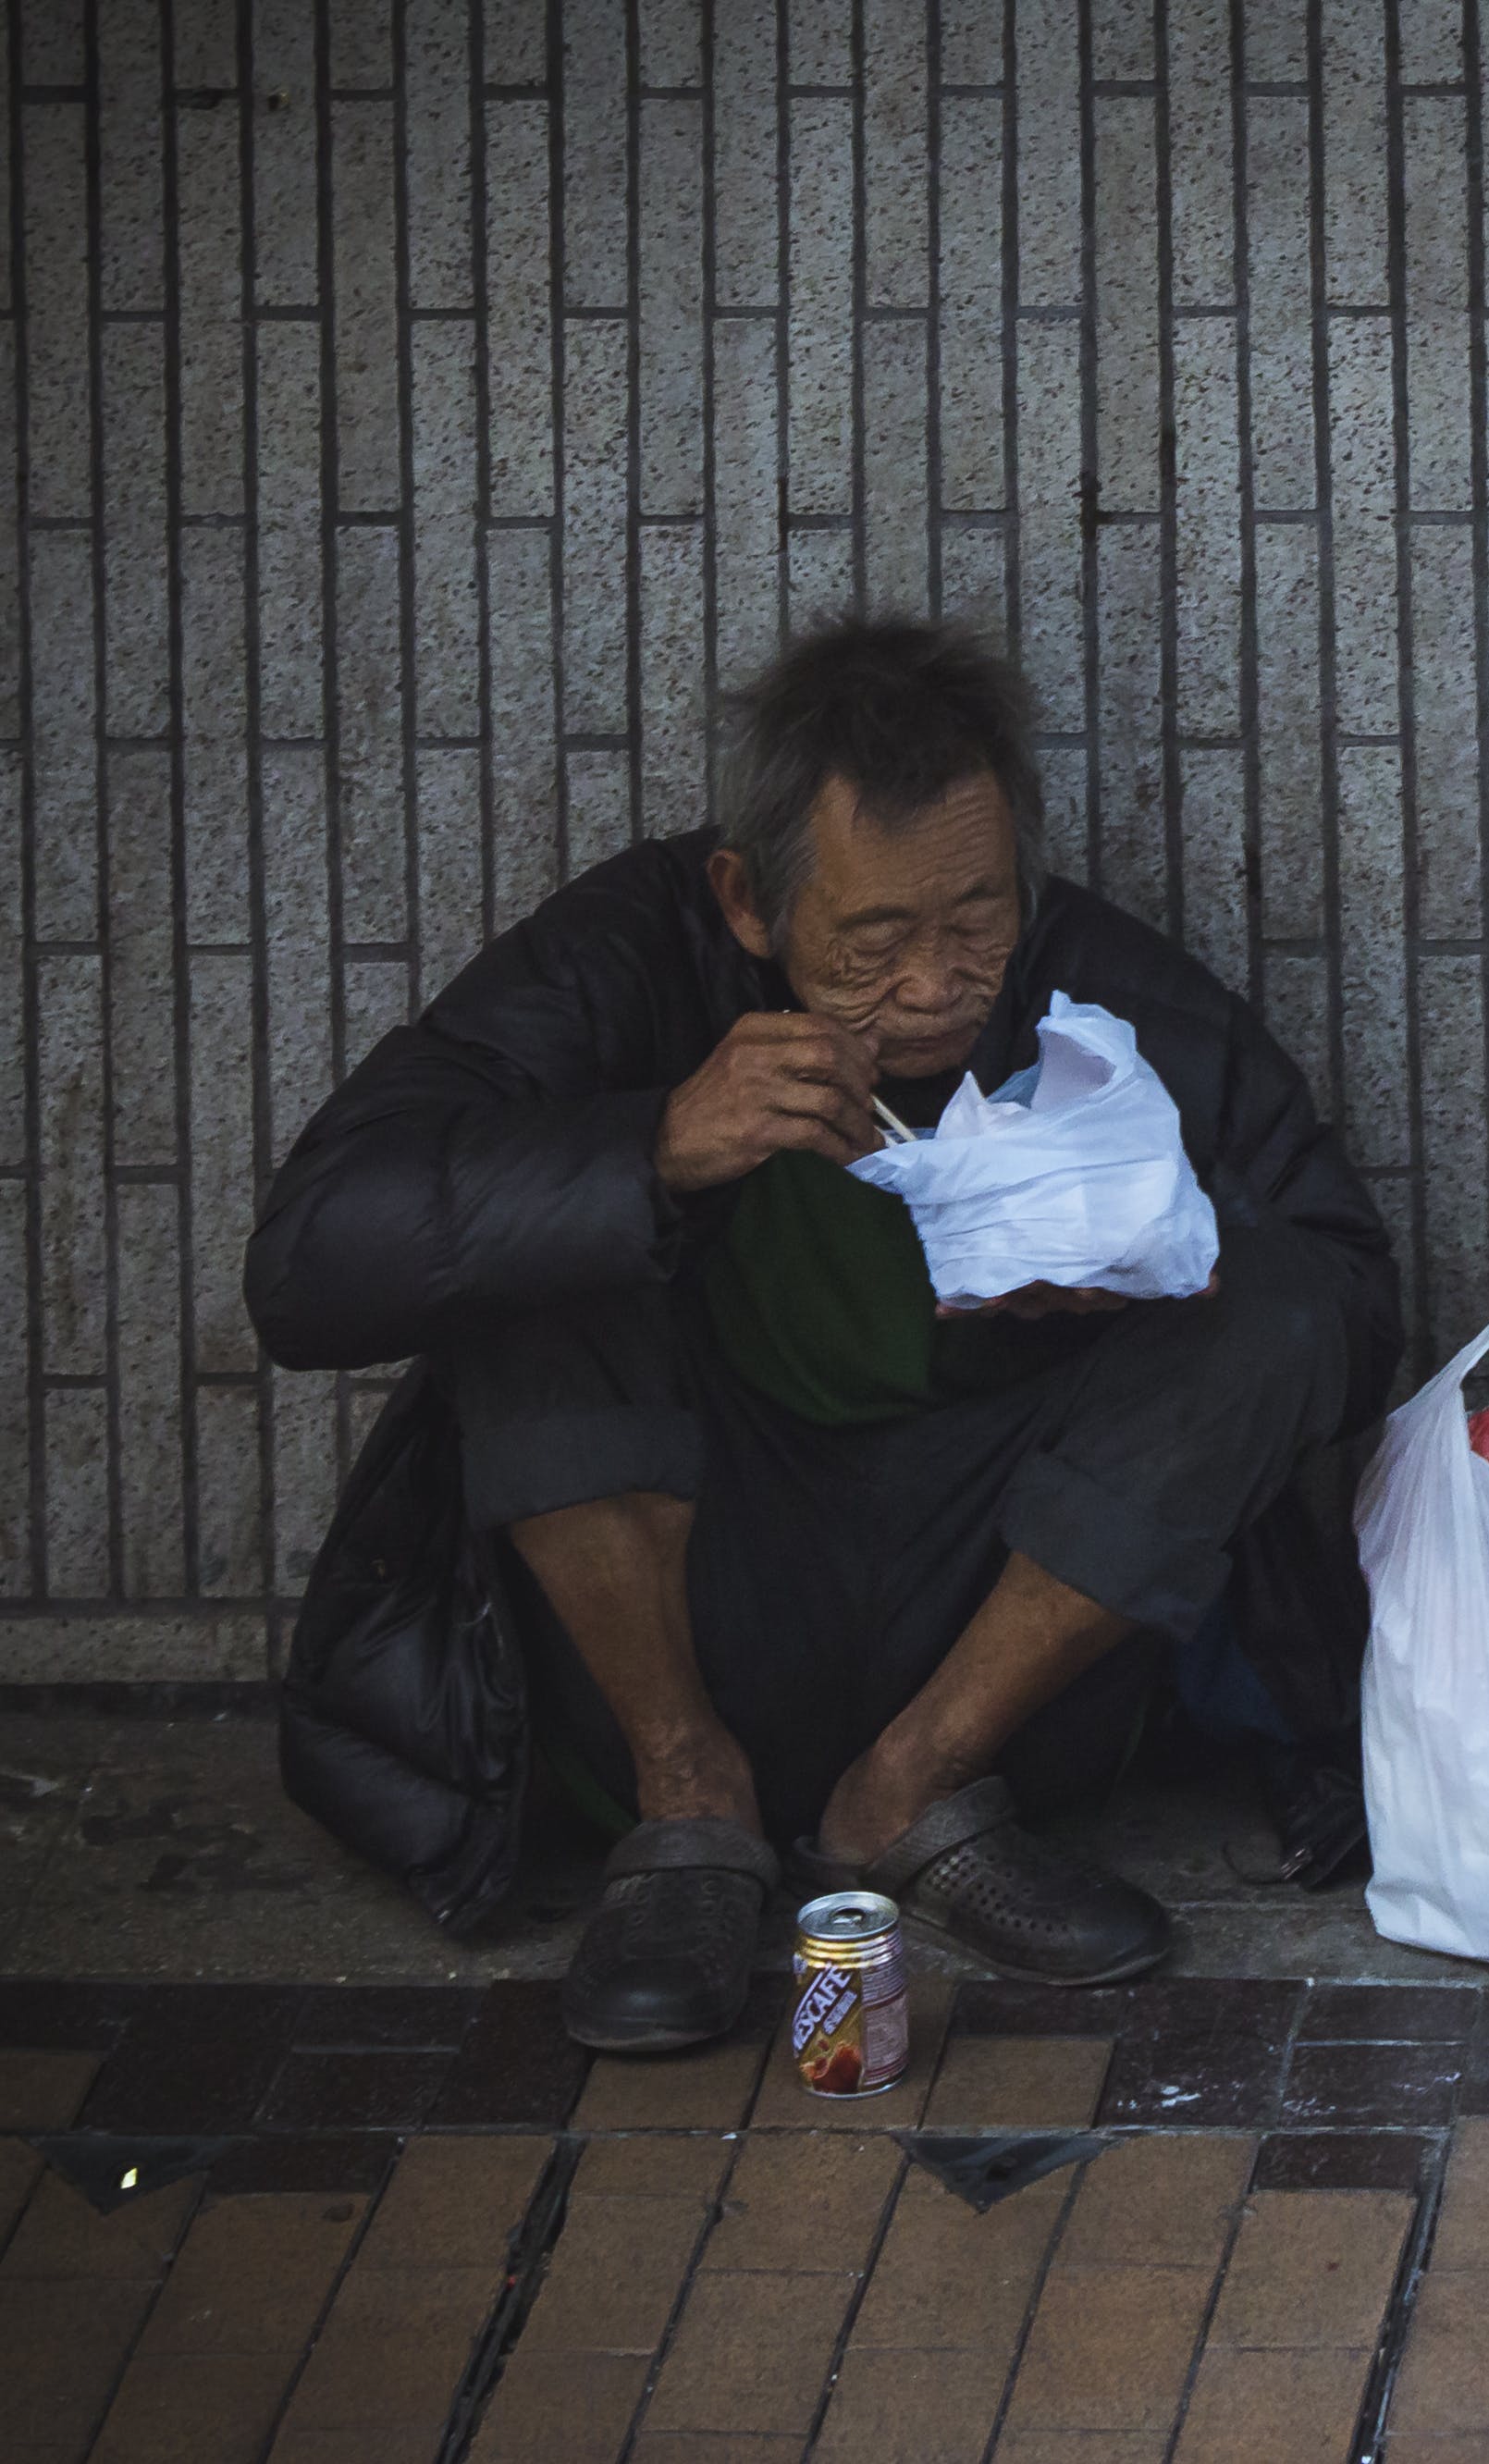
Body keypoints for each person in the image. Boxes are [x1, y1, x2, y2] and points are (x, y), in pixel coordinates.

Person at [246, 616, 1399, 2053]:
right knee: (540, 1237)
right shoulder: (630, 957)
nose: (932, 983)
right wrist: (649, 1147)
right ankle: (691, 1806)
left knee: (1265, 1292)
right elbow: (303, 1262)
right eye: (873, 940)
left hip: (985, 1601)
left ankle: (911, 1792)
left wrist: (1158, 1261)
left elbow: (1348, 1290)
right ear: (748, 903)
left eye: (975, 919)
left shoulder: (1086, 981)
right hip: (694, 1585)